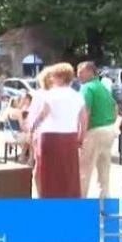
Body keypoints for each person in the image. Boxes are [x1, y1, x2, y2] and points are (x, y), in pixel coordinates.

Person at [29, 63, 87, 198]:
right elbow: (83, 118)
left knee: (50, 171)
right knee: (69, 172)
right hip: (70, 136)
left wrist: (33, 127)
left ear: (60, 77)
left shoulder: (51, 95)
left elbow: (43, 114)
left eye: (54, 76)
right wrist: (81, 137)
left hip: (50, 136)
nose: (51, 79)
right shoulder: (77, 96)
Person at [77, 61, 118, 202]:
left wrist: (81, 136)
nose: (78, 75)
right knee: (104, 170)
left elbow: (85, 113)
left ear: (90, 72)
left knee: (84, 171)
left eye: (81, 72)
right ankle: (105, 203)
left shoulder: (86, 88)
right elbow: (115, 107)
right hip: (108, 130)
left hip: (94, 131)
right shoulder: (102, 87)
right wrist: (110, 121)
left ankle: (80, 204)